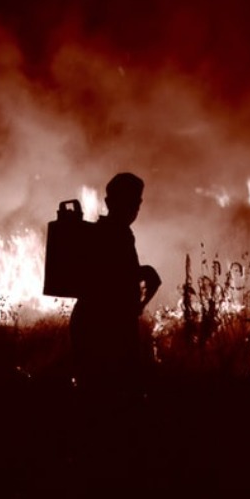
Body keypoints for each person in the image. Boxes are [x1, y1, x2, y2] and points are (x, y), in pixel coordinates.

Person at [70, 172, 161, 402]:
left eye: (137, 202)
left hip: (91, 321)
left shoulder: (104, 232)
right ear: (112, 202)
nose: (135, 208)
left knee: (94, 394)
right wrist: (144, 279)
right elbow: (112, 277)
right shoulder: (116, 235)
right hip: (108, 326)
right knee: (112, 396)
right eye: (132, 201)